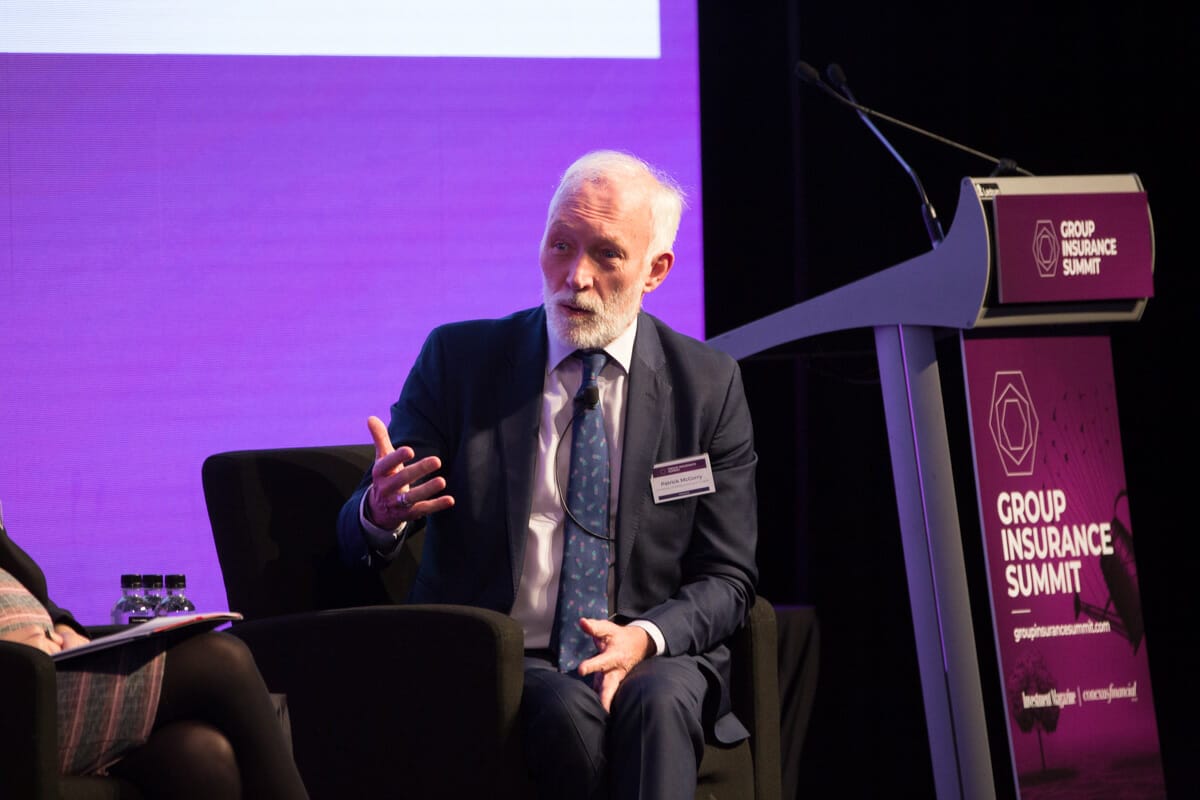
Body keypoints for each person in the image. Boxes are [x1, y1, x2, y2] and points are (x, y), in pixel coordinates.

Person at [337, 149, 759, 799]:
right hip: (503, 655)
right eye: (561, 245)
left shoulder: (708, 385)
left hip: (650, 649)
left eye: (607, 255)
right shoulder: (460, 361)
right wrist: (379, 511)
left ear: (655, 271)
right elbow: (372, 515)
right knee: (567, 713)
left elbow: (728, 578)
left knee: (659, 704)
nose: (576, 277)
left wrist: (645, 637)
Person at [0, 515, 310, 800]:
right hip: (19, 696)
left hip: (46, 669)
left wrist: (62, 625)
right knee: (224, 660)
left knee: (199, 755)